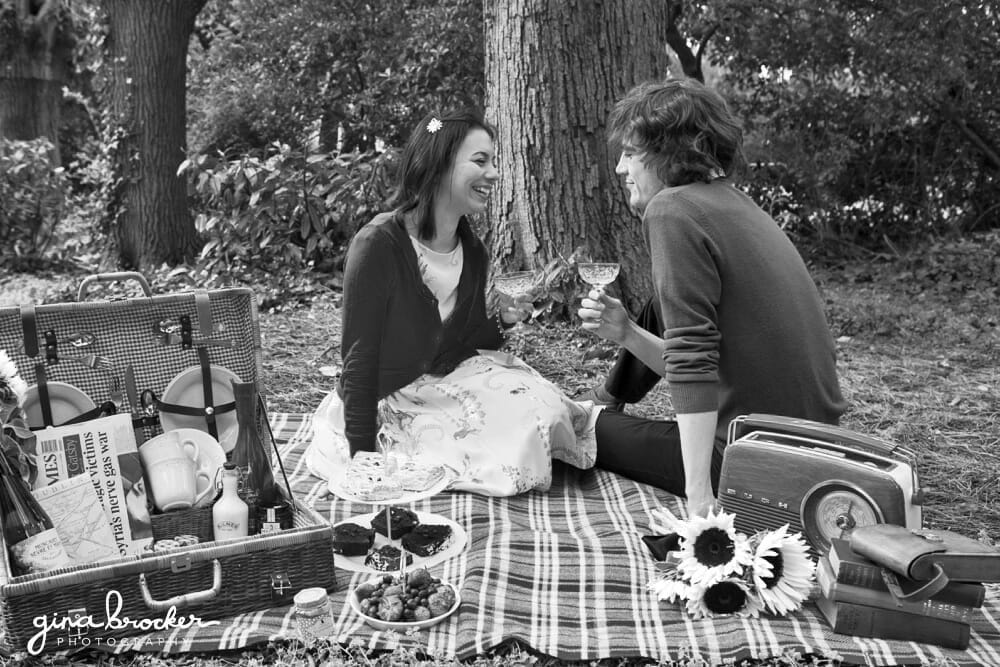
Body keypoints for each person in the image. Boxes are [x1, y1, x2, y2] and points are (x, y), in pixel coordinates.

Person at [578, 78, 846, 517]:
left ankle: (597, 410)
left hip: (753, 456)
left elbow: (693, 359)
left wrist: (699, 493)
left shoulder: (672, 209)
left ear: (672, 152)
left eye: (630, 153)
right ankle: (607, 398)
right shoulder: (737, 205)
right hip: (814, 446)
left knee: (573, 427)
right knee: (658, 307)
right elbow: (708, 356)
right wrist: (627, 332)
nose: (621, 169)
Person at [305, 109, 599, 496]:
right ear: (438, 164)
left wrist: (505, 321)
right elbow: (359, 362)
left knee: (539, 406)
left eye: (493, 161)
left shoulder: (472, 249)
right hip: (387, 397)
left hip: (443, 380)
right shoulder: (377, 245)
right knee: (507, 440)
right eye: (480, 161)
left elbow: (467, 341)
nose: (493, 173)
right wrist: (365, 460)